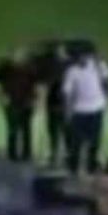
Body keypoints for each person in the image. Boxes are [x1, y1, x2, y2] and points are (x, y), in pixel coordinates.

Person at [62, 41, 108, 176]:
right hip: (79, 111)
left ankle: (92, 166)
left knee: (94, 141)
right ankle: (73, 166)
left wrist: (104, 100)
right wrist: (68, 112)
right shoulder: (72, 71)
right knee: (76, 142)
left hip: (96, 109)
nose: (79, 60)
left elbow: (106, 82)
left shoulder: (99, 66)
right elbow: (68, 93)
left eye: (81, 56)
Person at [30, 39, 72, 169]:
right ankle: (63, 155)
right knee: (61, 130)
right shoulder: (65, 65)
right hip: (59, 104)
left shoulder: (57, 66)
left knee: (57, 130)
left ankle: (58, 156)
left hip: (57, 104)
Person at [0, 52, 38, 162]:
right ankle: (13, 154)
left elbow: (35, 85)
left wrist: (35, 99)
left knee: (26, 129)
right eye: (17, 57)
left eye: (21, 58)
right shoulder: (6, 69)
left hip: (27, 102)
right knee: (13, 128)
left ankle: (27, 153)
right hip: (11, 102)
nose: (19, 59)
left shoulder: (30, 70)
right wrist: (2, 96)